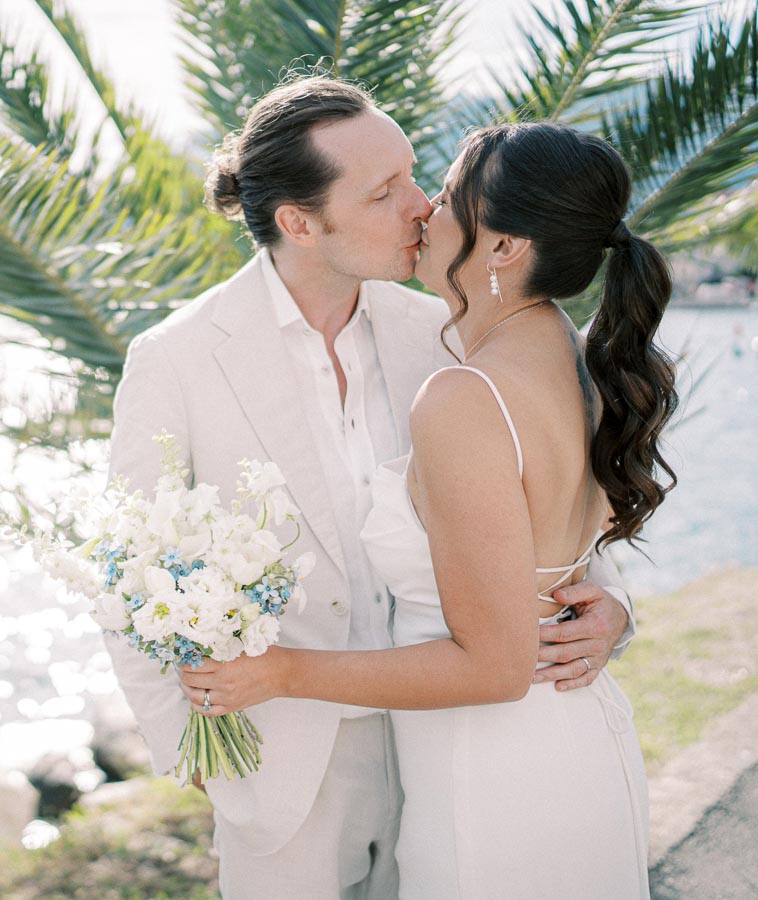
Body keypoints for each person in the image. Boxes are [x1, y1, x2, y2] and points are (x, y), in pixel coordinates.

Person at [106, 75, 636, 899]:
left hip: (461, 735)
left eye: (416, 176)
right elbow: (127, 575)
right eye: (386, 192)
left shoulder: (447, 326)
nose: (422, 207)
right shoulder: (175, 361)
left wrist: (613, 603)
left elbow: (545, 486)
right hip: (285, 770)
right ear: (300, 222)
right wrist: (191, 755)